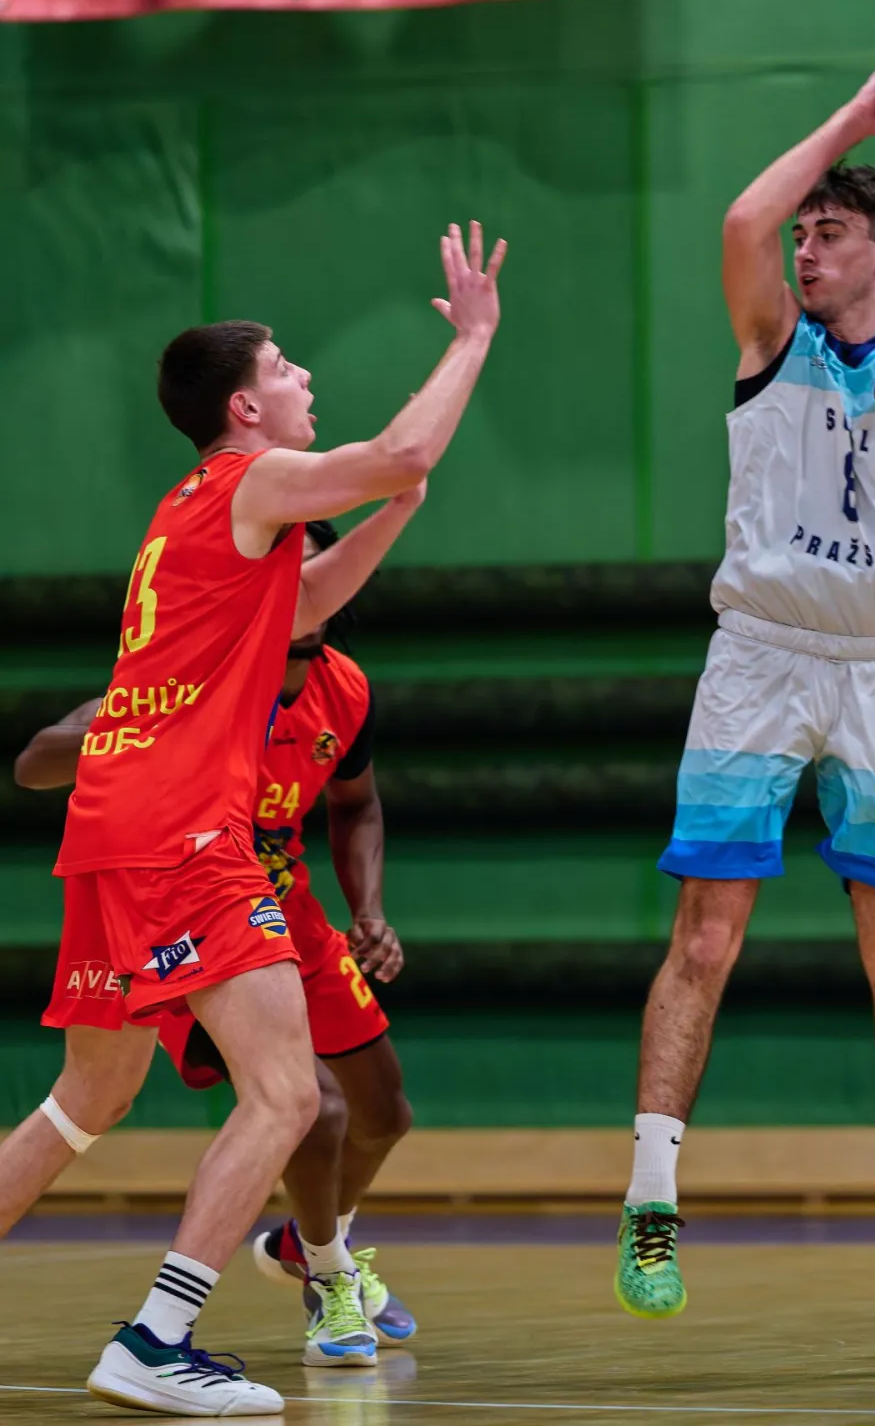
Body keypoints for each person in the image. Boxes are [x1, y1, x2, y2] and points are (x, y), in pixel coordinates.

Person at [0, 220, 505, 1416]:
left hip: (115, 822)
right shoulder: (251, 480)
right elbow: (400, 445)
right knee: (285, 1093)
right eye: (283, 367)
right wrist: (472, 341)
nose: (302, 376)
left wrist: (397, 507)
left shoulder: (192, 512)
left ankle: (164, 1331)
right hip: (184, 829)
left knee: (86, 1099)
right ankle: (156, 1338)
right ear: (242, 407)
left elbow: (306, 604)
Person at [614, 67, 875, 1353]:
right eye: (805, 232)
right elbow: (740, 222)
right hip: (758, 660)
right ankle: (648, 1203)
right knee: (705, 939)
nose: (803, 247)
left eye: (831, 232)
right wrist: (862, 108)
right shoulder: (769, 343)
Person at [15, 519, 417, 1369]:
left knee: (382, 1111)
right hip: (191, 897)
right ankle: (313, 1279)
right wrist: (119, 732)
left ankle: (302, 1249)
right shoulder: (201, 666)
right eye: (288, 568)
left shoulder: (345, 689)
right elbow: (35, 763)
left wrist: (370, 911)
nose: (304, 585)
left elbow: (356, 805)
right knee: (303, 1104)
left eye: (317, 570)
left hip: (284, 900)